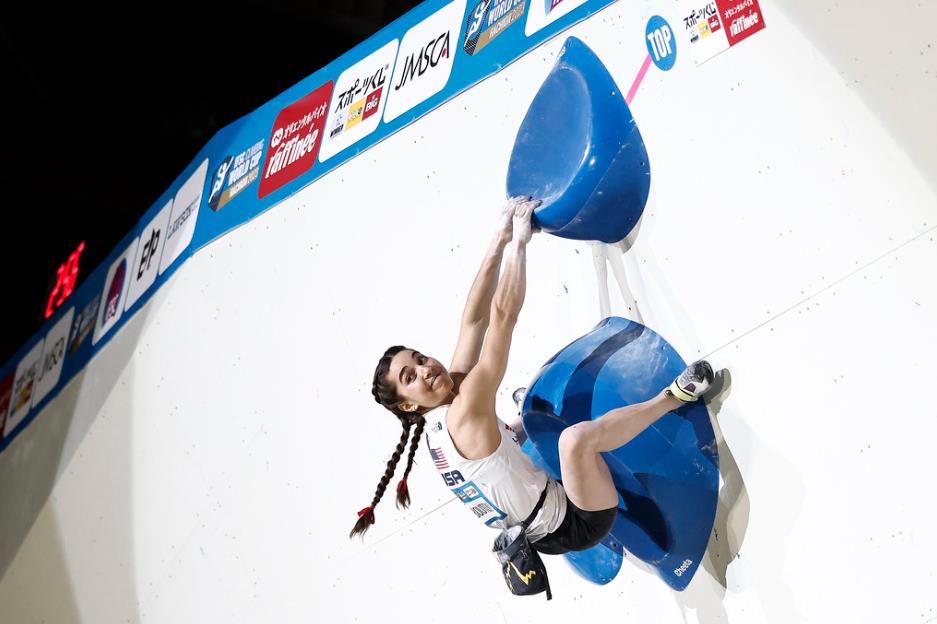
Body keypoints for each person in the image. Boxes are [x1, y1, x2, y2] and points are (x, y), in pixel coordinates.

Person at [349, 196, 713, 556]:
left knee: (531, 412)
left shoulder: (441, 416)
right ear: (409, 404)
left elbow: (474, 321)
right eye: (411, 376)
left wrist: (498, 238)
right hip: (575, 524)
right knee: (574, 441)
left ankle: (516, 428)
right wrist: (520, 241)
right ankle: (674, 397)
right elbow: (502, 318)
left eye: (421, 358)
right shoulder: (463, 409)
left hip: (533, 513)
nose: (427, 369)